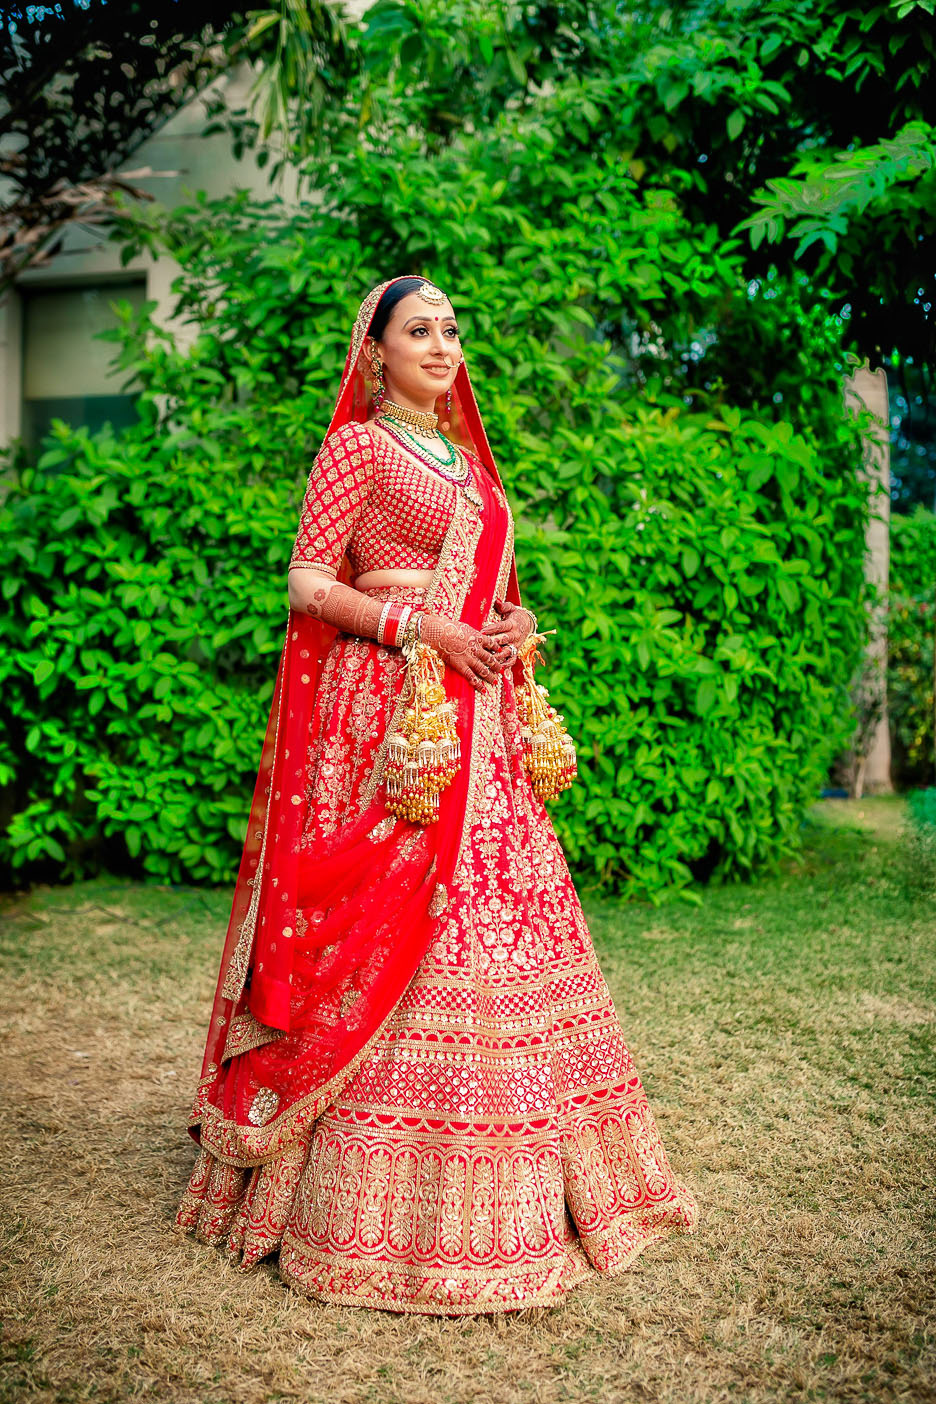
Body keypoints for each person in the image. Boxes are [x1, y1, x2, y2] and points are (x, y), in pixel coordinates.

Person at [174, 274, 698, 1315]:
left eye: (452, 329)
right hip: (392, 716)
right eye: (419, 329)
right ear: (374, 351)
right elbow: (307, 580)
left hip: (481, 721)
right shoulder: (359, 447)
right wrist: (421, 628)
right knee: (395, 921)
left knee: (497, 929)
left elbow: (495, 591)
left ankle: (522, 1184)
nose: (442, 345)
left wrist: (511, 623)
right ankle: (339, 1193)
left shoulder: (470, 464)